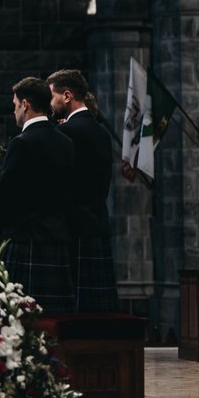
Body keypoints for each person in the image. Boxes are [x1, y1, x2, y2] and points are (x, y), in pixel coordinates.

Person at [0, 77, 76, 314]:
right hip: (57, 240)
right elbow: (69, 194)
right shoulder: (66, 142)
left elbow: (4, 193)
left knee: (21, 317)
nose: (14, 110)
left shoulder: (21, 143)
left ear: (25, 104)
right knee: (54, 318)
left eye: (15, 104)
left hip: (25, 239)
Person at [48, 69, 119, 313]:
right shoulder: (102, 133)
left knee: (73, 314)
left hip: (72, 231)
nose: (50, 104)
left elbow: (58, 186)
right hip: (97, 225)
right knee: (98, 315)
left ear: (67, 96)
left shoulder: (65, 133)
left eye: (52, 96)